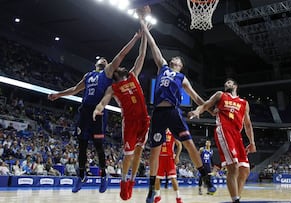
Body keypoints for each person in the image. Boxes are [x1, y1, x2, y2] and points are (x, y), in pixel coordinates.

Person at [48, 31, 142, 193]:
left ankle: (104, 175)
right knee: (82, 146)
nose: (104, 59)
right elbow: (75, 89)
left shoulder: (108, 72)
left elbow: (122, 54)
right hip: (84, 111)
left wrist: (135, 38)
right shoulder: (88, 75)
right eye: (101, 59)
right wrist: (58, 94)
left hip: (98, 113)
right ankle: (81, 176)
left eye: (106, 60)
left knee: (99, 145)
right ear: (96, 63)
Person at [138, 12, 217, 203]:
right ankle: (151, 189)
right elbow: (155, 48)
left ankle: (206, 178)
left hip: (174, 112)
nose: (175, 60)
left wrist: (207, 109)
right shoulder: (162, 68)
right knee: (154, 151)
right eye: (174, 59)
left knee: (189, 144)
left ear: (181, 66)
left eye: (179, 61)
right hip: (158, 112)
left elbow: (197, 97)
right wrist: (146, 30)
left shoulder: (182, 78)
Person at [92, 31, 149, 200]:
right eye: (117, 68)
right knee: (128, 155)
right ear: (115, 74)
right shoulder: (113, 88)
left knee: (139, 153)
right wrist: (97, 109)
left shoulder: (133, 75)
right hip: (130, 122)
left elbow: (142, 54)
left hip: (144, 120)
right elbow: (103, 101)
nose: (120, 67)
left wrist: (144, 35)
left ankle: (132, 179)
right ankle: (124, 181)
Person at [188, 78, 256, 203]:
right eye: (225, 83)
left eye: (229, 83)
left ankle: (237, 198)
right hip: (224, 130)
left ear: (235, 85)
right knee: (233, 167)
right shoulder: (221, 95)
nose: (226, 84)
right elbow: (206, 104)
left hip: (237, 135)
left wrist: (252, 142)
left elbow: (247, 124)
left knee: (245, 170)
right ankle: (235, 200)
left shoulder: (244, 103)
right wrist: (197, 111)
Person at [154, 129, 183, 203]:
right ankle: (157, 196)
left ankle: (178, 197)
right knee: (157, 178)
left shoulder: (172, 133)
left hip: (169, 158)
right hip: (160, 158)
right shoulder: (158, 132)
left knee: (173, 179)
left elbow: (179, 145)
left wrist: (177, 156)